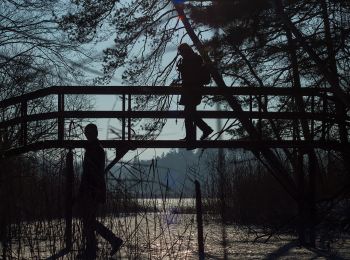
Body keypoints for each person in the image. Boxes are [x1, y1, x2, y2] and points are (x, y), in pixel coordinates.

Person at [77, 123, 123, 259]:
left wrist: (87, 190)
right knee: (88, 220)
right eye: (86, 133)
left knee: (89, 220)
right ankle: (92, 247)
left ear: (94, 134)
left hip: (92, 190)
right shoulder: (95, 148)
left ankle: (108, 242)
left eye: (88, 133)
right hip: (92, 189)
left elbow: (91, 173)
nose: (86, 135)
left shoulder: (95, 149)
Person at [177, 43, 213, 145]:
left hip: (191, 91)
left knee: (189, 114)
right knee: (189, 114)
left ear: (184, 51)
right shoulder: (196, 58)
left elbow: (190, 76)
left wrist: (182, 68)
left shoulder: (190, 60)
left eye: (181, 52)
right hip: (194, 90)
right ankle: (191, 136)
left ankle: (204, 130)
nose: (181, 54)